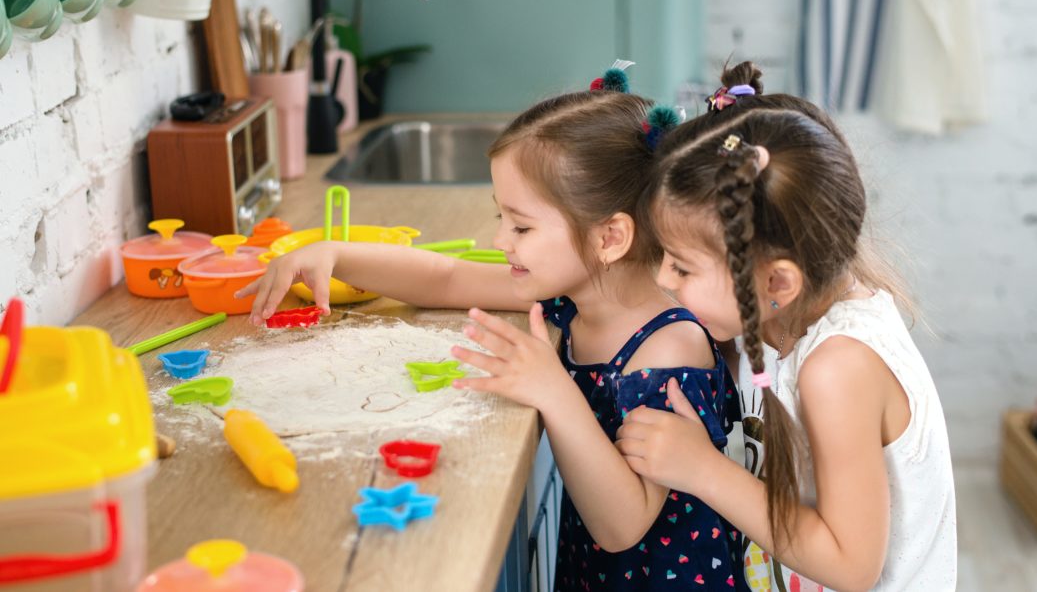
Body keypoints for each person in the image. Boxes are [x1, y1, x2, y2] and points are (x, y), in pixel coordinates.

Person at [238, 65, 748, 591]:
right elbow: (447, 277)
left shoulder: (669, 349)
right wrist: (335, 254)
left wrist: (554, 391)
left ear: (609, 237)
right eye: (501, 217)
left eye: (521, 225)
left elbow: (622, 524)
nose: (501, 238)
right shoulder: (572, 296)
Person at [615, 62, 957, 591]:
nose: (663, 277)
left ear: (777, 283)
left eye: (682, 265)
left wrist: (700, 467)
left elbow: (851, 565)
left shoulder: (838, 368)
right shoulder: (785, 321)